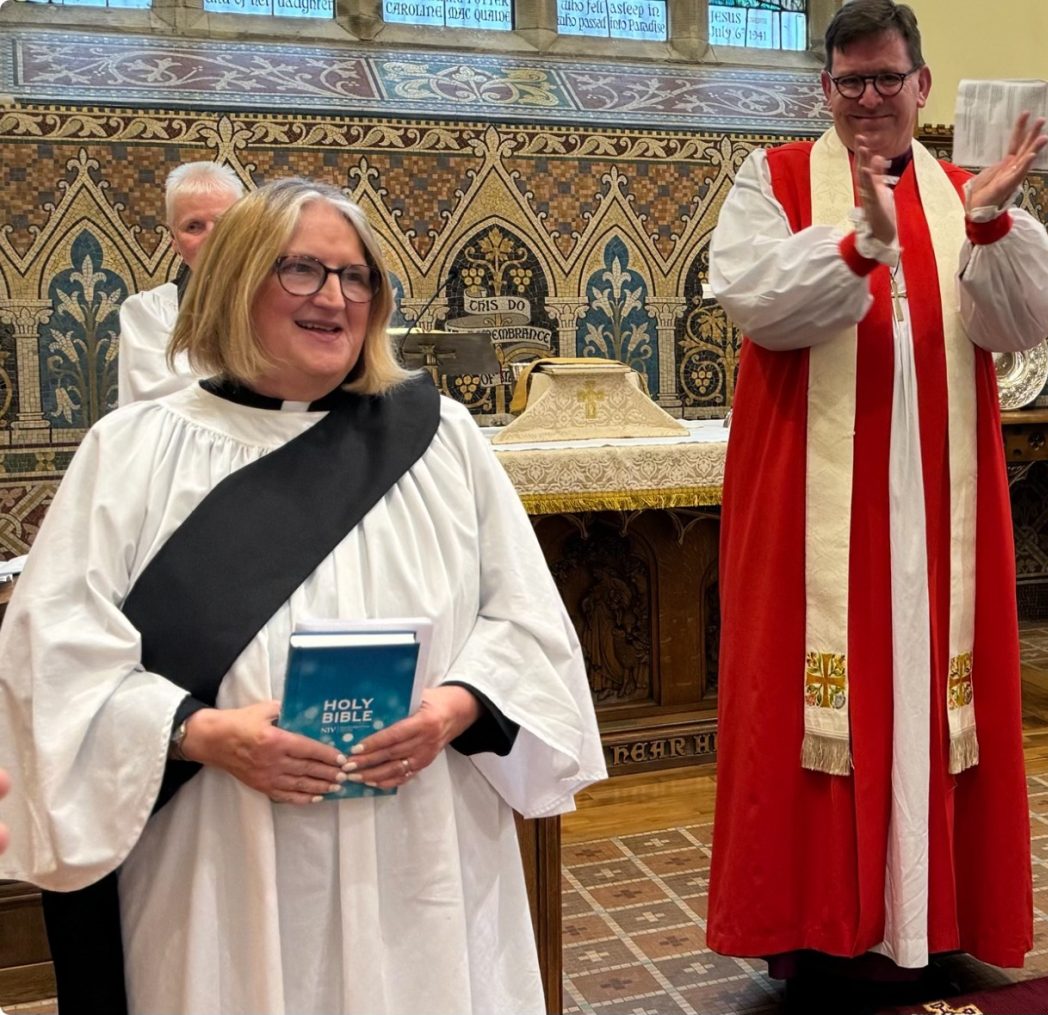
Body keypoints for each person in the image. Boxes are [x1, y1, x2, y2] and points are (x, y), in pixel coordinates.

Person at [0, 178, 606, 1013]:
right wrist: (201, 731)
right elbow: (51, 657)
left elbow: (527, 623)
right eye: (302, 271)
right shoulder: (135, 451)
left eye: (357, 277)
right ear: (234, 280)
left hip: (417, 842)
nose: (335, 298)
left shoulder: (440, 439)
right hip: (219, 853)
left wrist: (454, 708)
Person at [703, 0, 1048, 981]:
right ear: (823, 89)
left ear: (922, 85)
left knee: (931, 686)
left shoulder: (964, 189)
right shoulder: (774, 178)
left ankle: (936, 912)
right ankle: (820, 920)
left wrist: (989, 220)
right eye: (849, 81)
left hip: (940, 500)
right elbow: (753, 301)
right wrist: (857, 245)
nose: (868, 98)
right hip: (813, 502)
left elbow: (1025, 320)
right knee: (810, 694)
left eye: (886, 78)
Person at [118, 160, 244, 405]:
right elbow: (164, 401)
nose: (213, 237)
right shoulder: (150, 311)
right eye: (193, 226)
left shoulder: (280, 300)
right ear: (174, 241)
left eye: (225, 223)